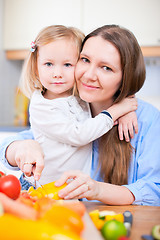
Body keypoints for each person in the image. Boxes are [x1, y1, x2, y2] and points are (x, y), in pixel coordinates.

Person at [1, 24, 158, 206]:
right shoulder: (73, 103)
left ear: (126, 77)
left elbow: (154, 191)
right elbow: (17, 144)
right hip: (54, 202)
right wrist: (20, 147)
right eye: (85, 60)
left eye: (106, 68)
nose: (89, 75)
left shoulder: (147, 120)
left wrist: (126, 106)